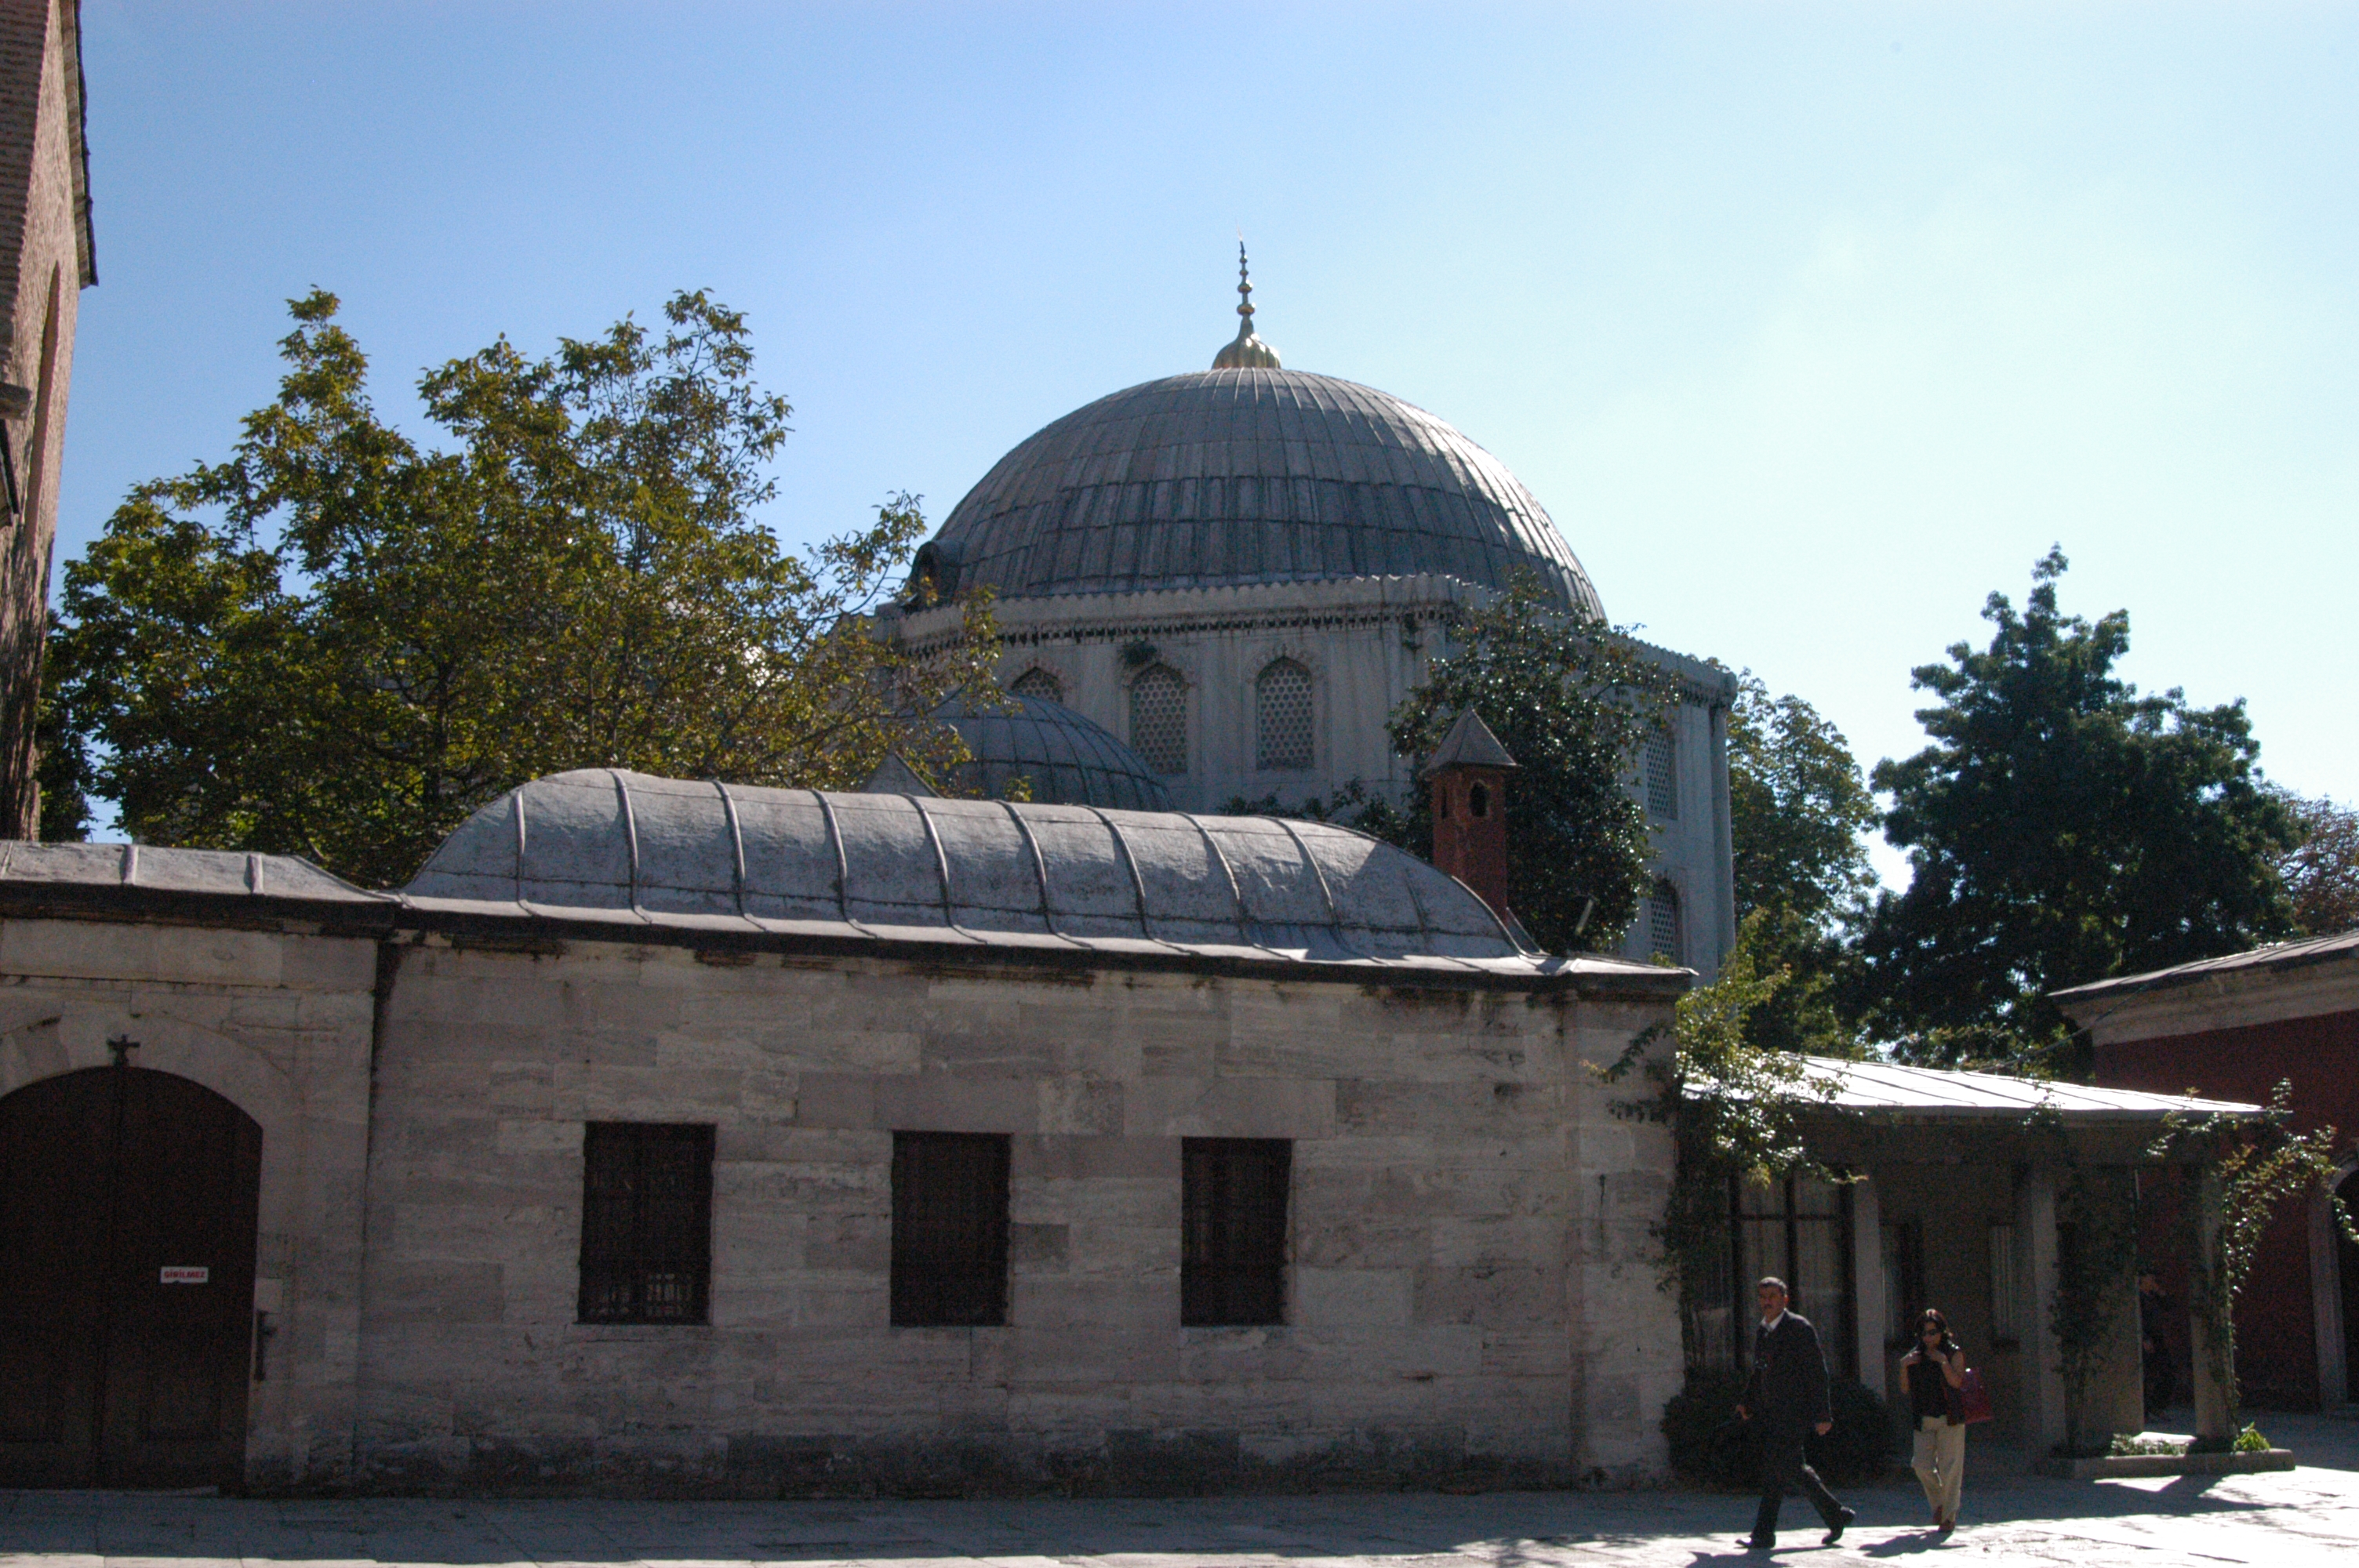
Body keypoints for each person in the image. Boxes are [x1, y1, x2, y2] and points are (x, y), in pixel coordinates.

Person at [1733, 1276, 1856, 1551]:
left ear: (1785, 1300)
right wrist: (1747, 1401)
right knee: (1793, 1469)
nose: (1767, 1302)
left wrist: (1823, 1414)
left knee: (1774, 1470)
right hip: (1773, 1412)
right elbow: (1759, 1370)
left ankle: (1763, 1534)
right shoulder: (1764, 1330)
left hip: (1795, 1413)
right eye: (1763, 1297)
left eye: (1772, 1297)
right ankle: (1836, 1515)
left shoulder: (1799, 1328)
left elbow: (1817, 1372)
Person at [1901, 1308, 1968, 1537]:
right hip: (1924, 1418)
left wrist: (1943, 1362)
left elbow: (1957, 1383)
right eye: (1924, 1333)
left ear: (1942, 1332)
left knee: (1950, 1470)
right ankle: (1940, 1503)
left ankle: (1948, 1517)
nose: (1928, 1338)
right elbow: (1905, 1388)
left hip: (1950, 1418)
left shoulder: (1953, 1353)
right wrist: (1904, 1366)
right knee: (1920, 1465)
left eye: (1932, 1332)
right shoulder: (1916, 1355)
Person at [2138, 1271, 2175, 1414]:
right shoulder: (2139, 1298)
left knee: (2167, 1371)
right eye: (2150, 1277)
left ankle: (2158, 1405)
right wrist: (2144, 1338)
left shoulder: (2153, 1297)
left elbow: (2169, 1306)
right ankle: (2148, 1407)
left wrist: (2160, 1292)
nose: (2152, 1279)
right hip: (2148, 1339)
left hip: (2158, 1338)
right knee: (2148, 1374)